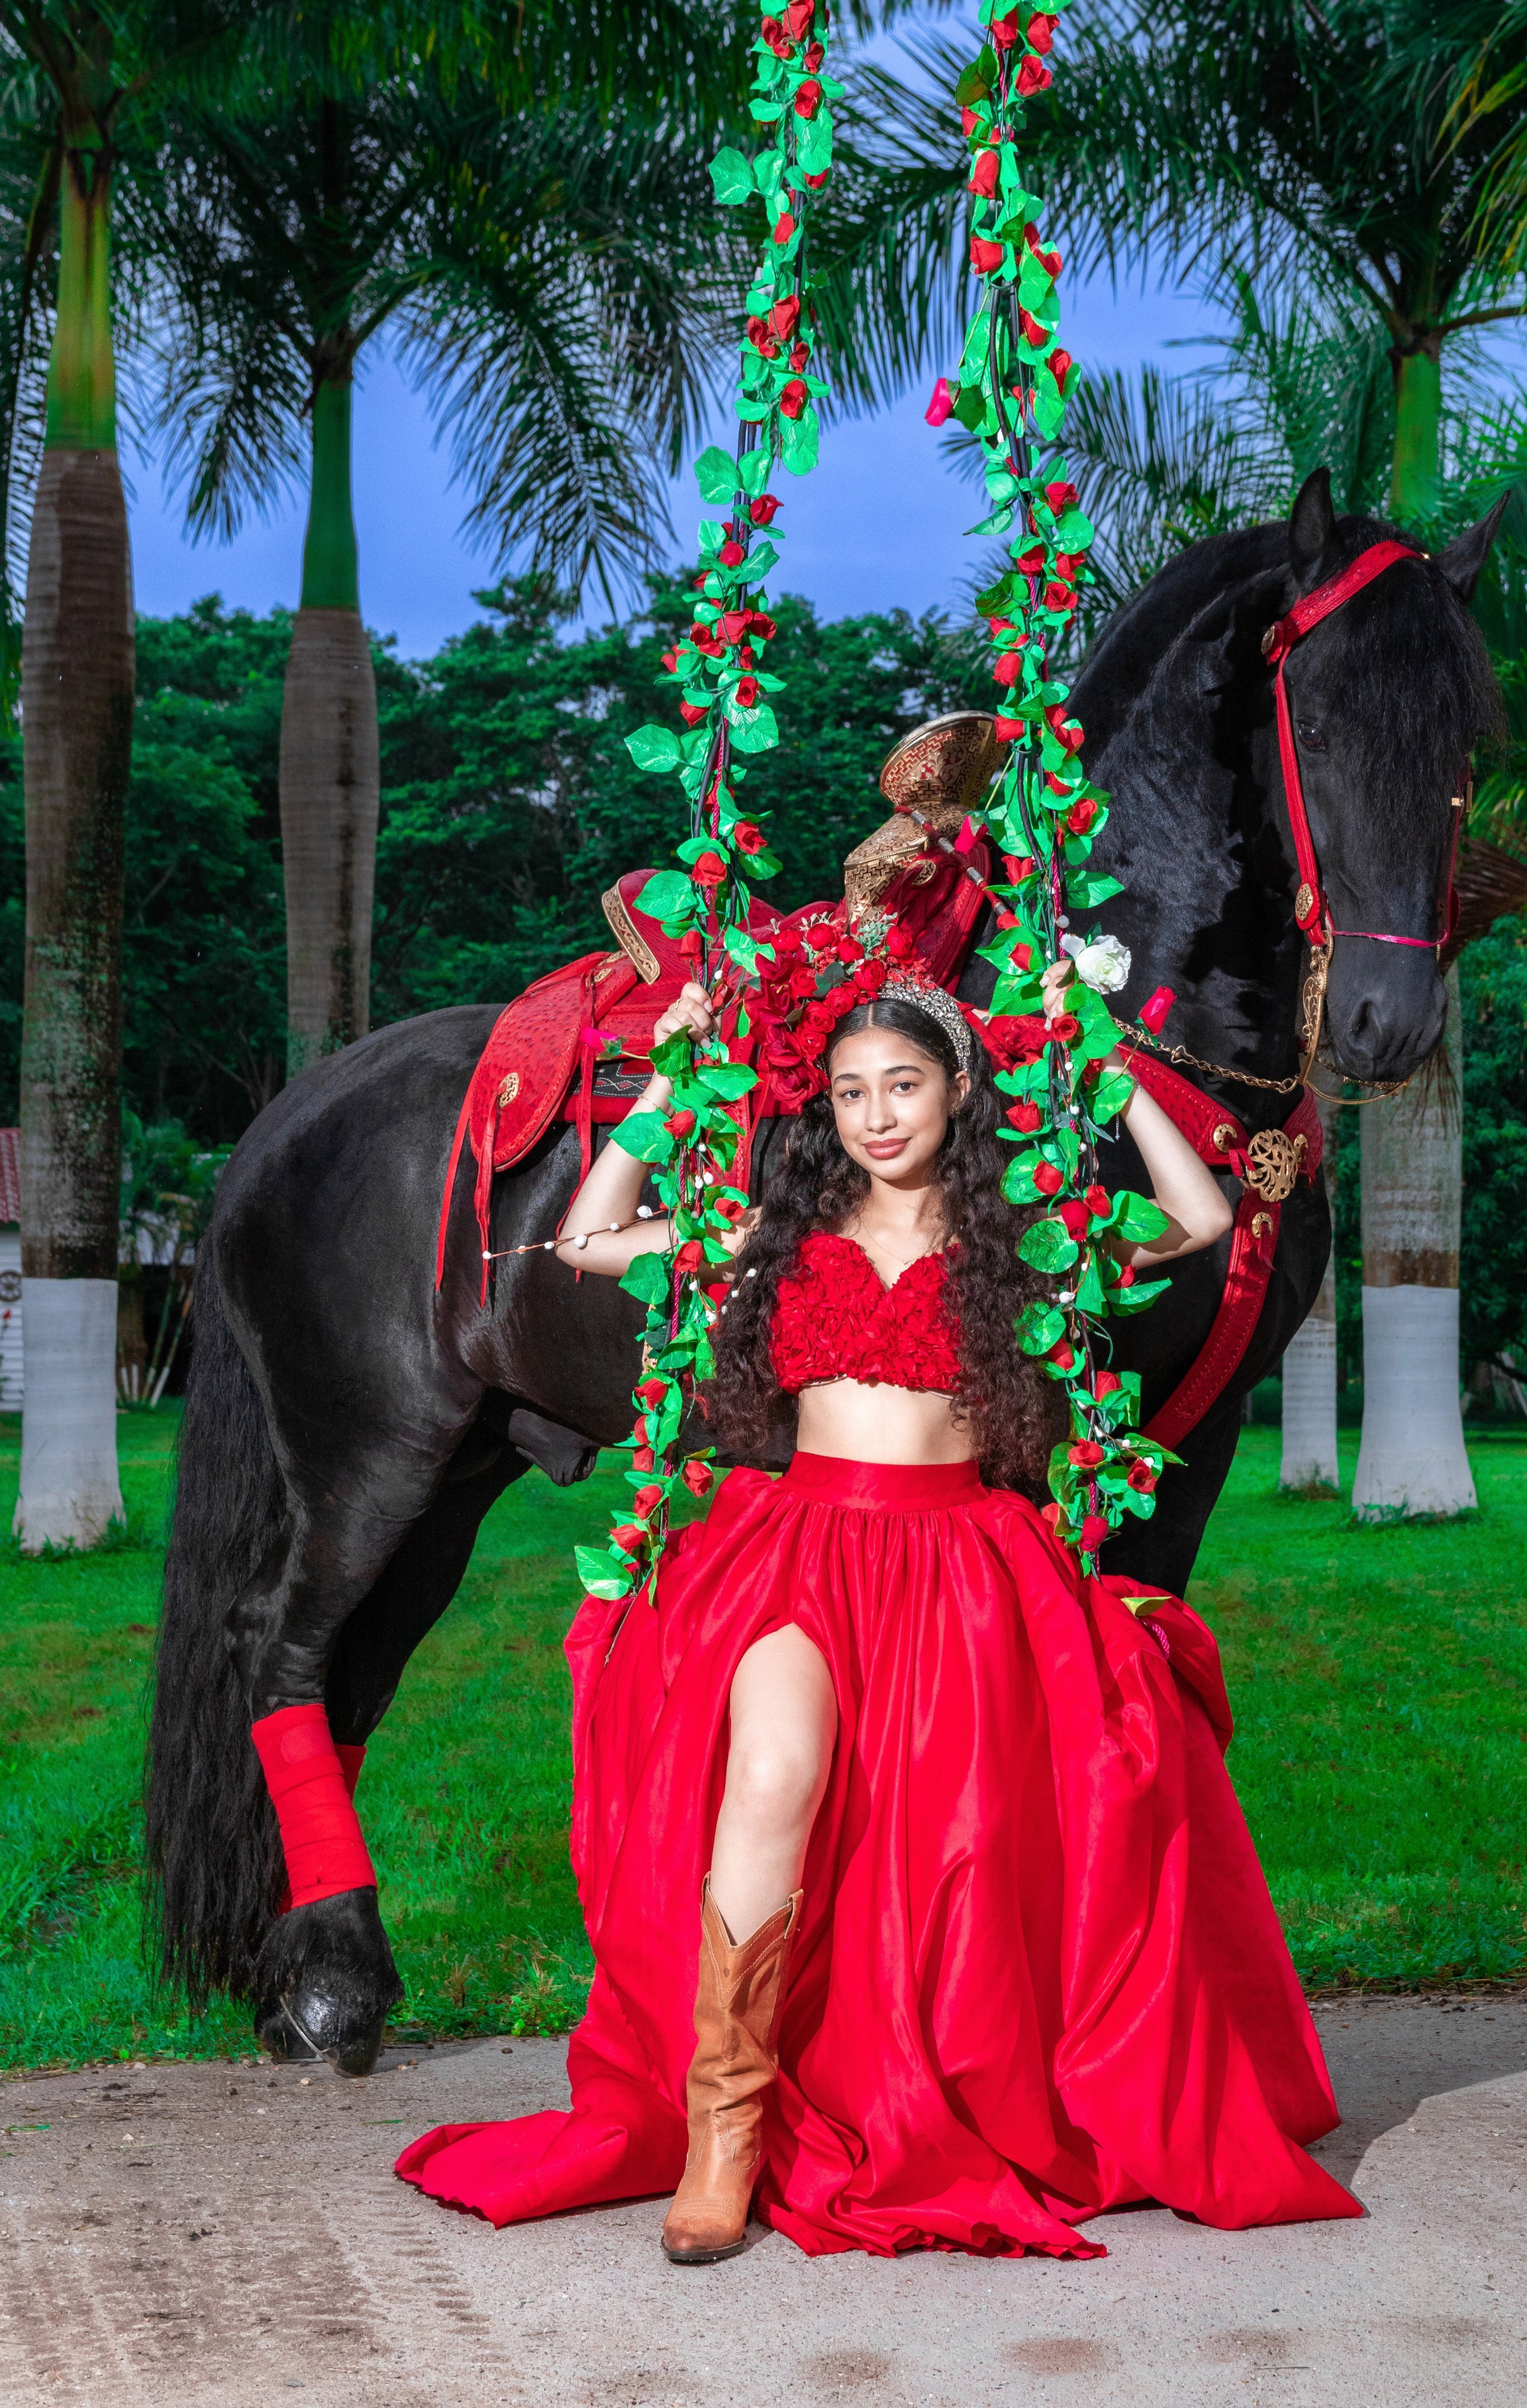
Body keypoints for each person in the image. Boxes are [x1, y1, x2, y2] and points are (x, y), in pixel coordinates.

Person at [397, 966, 1361, 2257]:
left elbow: (1193, 1215)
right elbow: (585, 1240)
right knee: (774, 1771)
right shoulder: (778, 1232)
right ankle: (722, 2129)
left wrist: (1103, 1058)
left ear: (956, 1089)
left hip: (963, 1563)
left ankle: (927, 2081)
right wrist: (672, 1089)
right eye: (850, 1091)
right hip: (793, 1550)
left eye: (901, 1083)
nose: (874, 1113)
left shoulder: (1021, 1228)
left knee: (960, 1830)